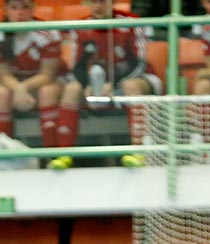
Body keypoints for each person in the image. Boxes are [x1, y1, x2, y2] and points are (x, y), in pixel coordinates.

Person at [48, 0, 160, 170]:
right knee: (72, 89)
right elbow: (77, 66)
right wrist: (86, 84)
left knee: (131, 86)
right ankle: (64, 154)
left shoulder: (131, 22)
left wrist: (114, 83)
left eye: (102, 1)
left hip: (138, 78)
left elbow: (139, 63)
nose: (98, 6)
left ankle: (140, 152)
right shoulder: (81, 27)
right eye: (93, 2)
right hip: (97, 82)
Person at [0, 0, 67, 158]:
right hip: (16, 84)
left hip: (49, 81)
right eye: (14, 8)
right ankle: (1, 152)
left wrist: (23, 88)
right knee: (0, 94)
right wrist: (18, 89)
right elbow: (4, 75)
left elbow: (47, 75)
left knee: (47, 92)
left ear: (33, 9)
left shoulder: (47, 33)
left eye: (25, 7)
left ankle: (53, 154)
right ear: (6, 10)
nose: (19, 13)